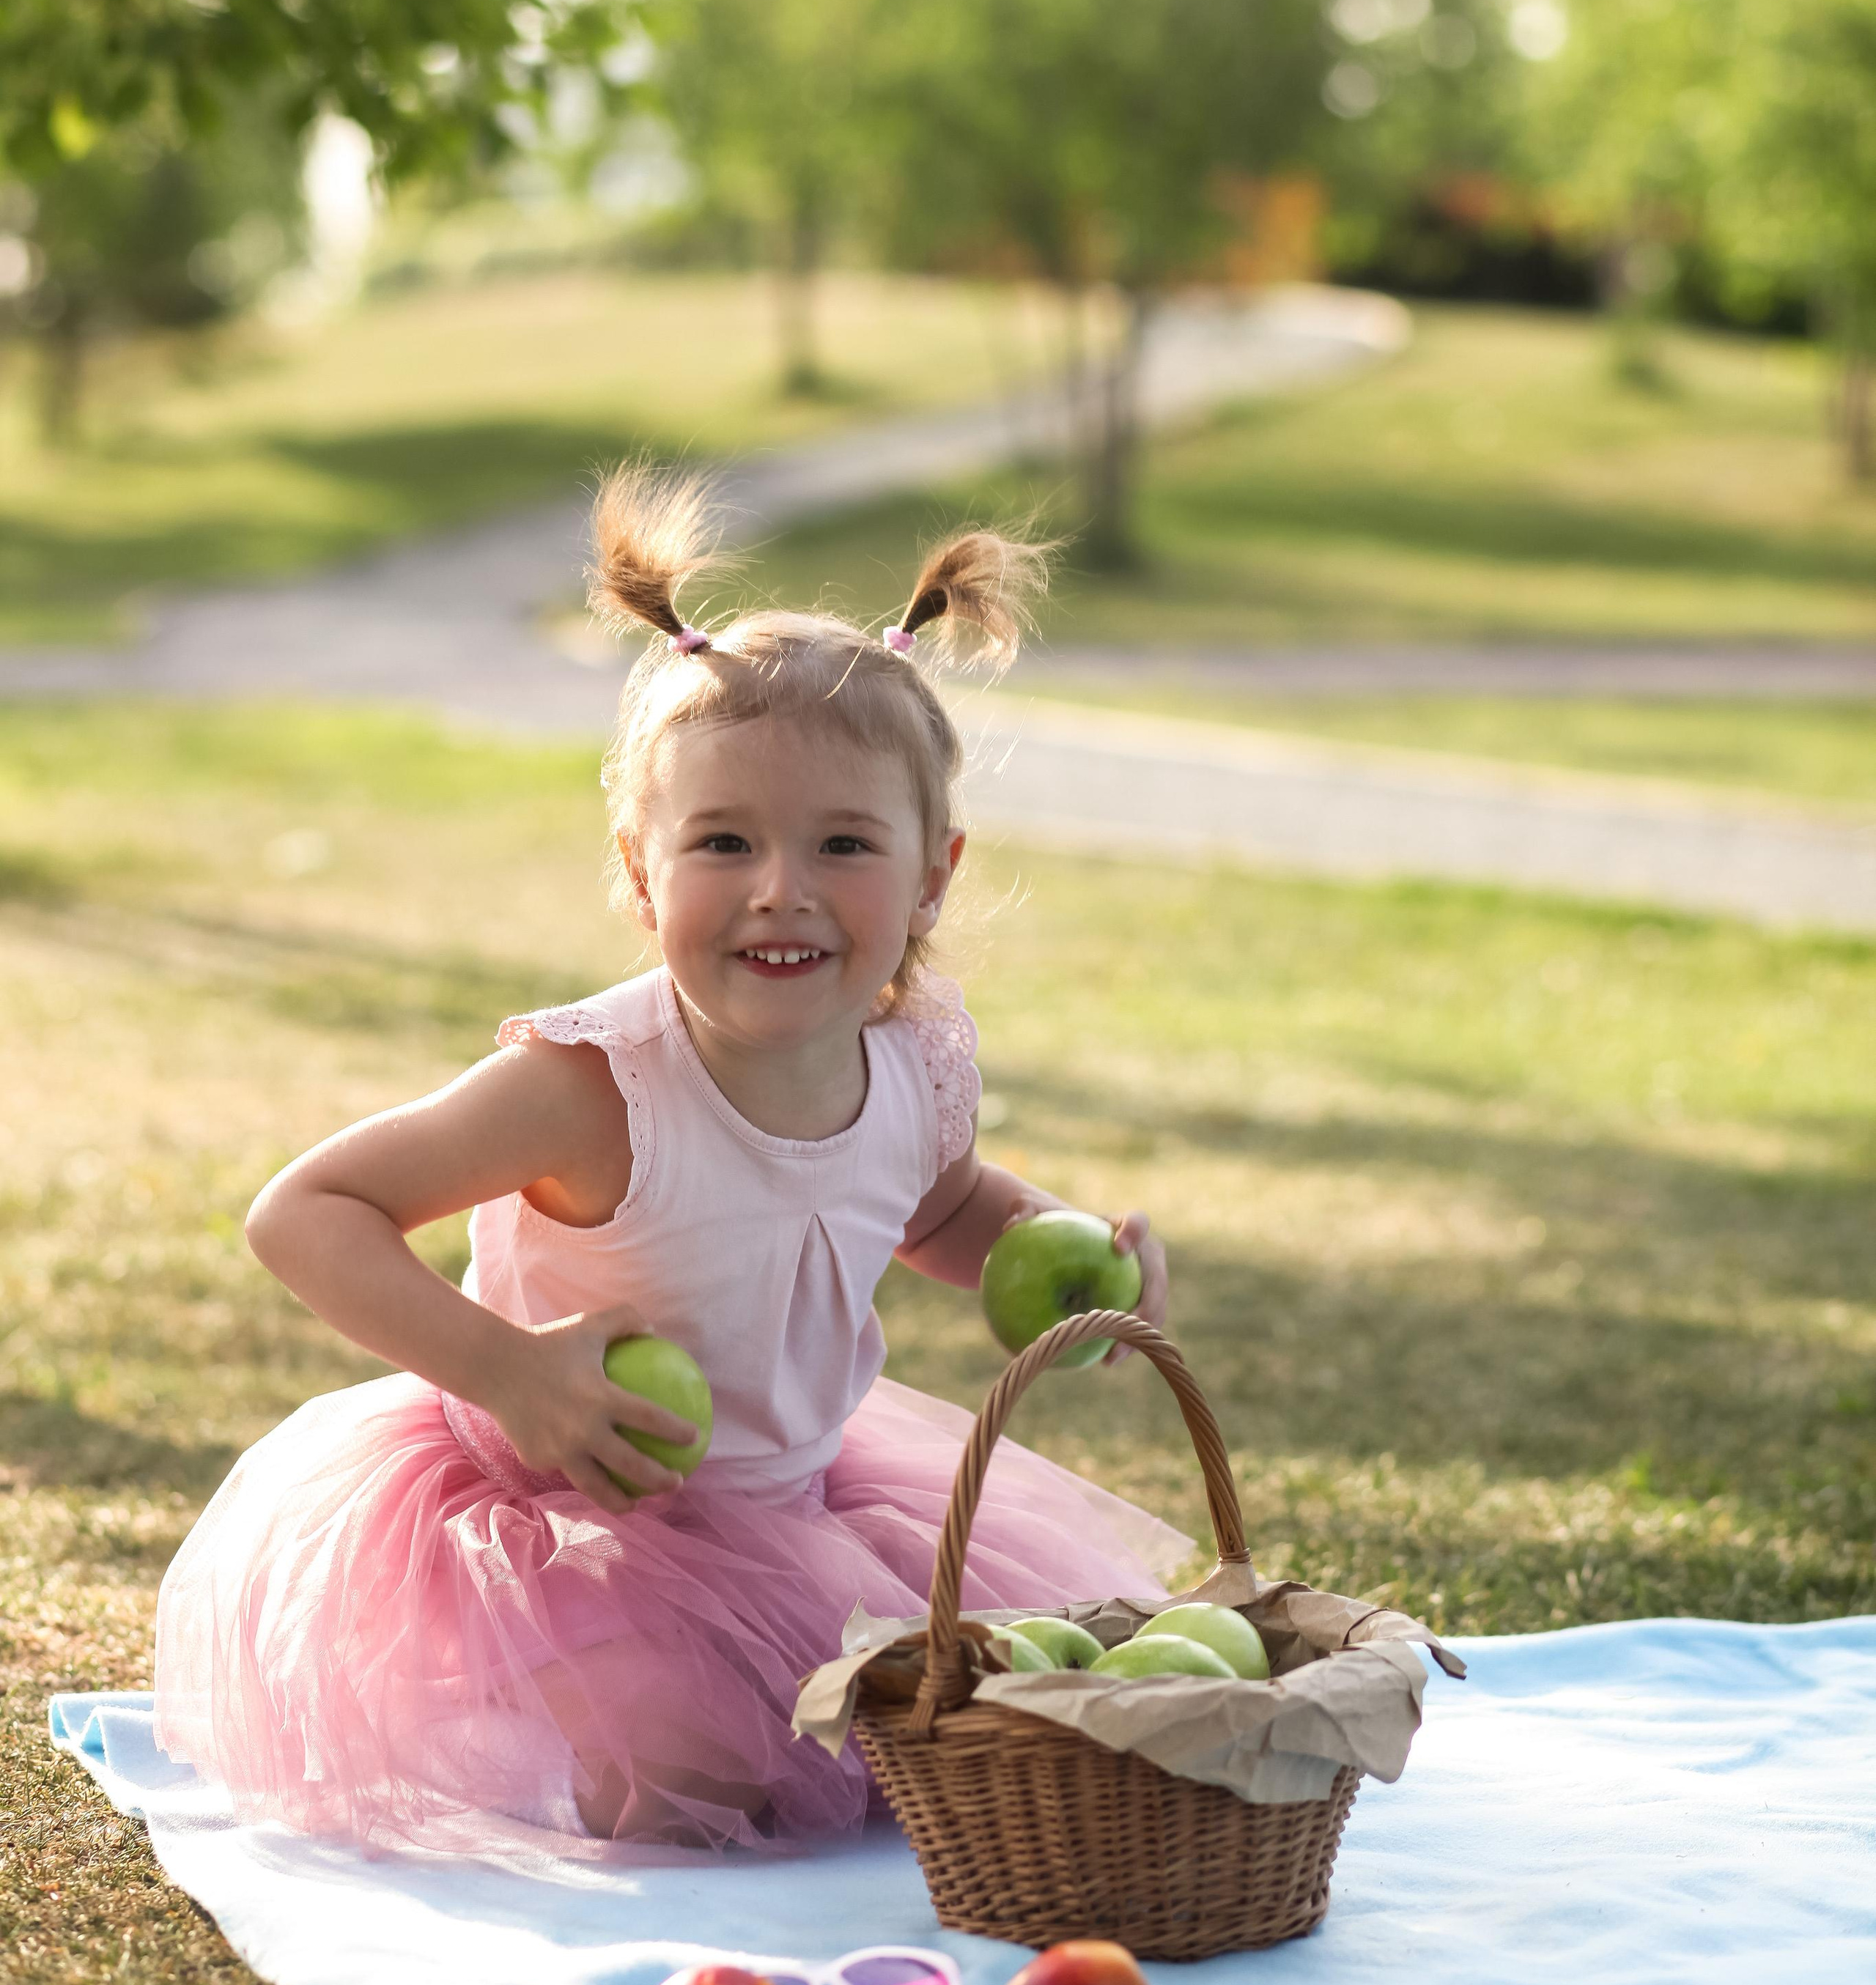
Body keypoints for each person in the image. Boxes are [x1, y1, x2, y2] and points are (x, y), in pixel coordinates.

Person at [153, 469, 1183, 1855]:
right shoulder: (592, 1087)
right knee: (700, 1787)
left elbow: (935, 1208)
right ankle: (576, 1719)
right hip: (574, 1528)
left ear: (933, 875)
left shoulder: (916, 1067)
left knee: (946, 1743)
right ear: (641, 873)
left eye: (843, 844)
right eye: (723, 843)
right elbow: (307, 1212)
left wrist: (1069, 1258)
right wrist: (514, 1375)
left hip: (802, 1512)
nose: (782, 888)